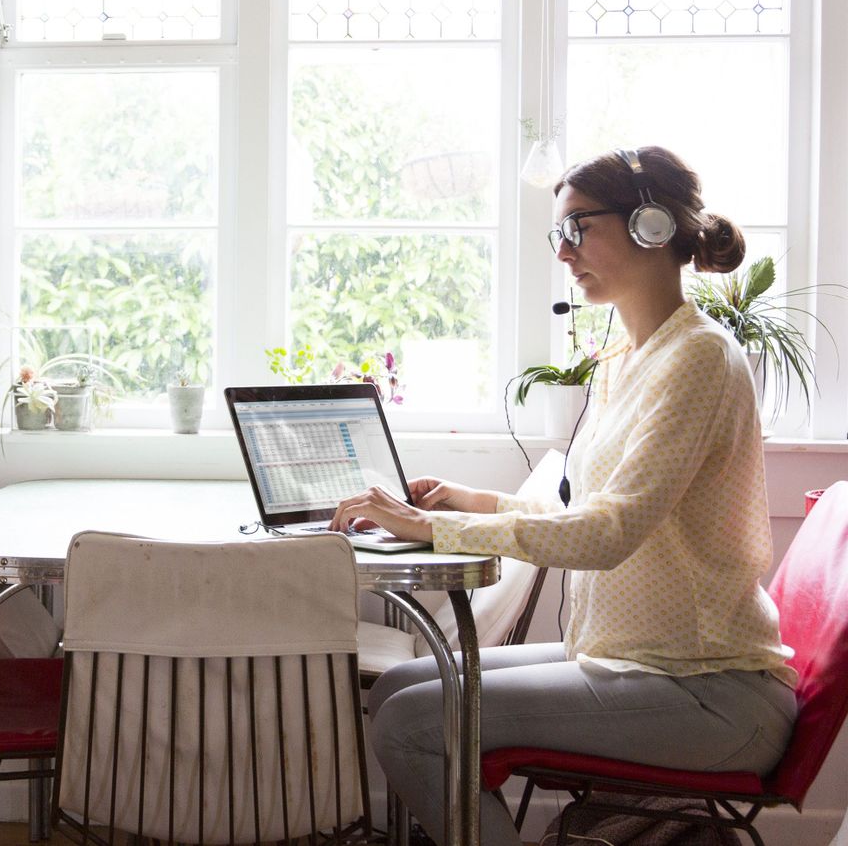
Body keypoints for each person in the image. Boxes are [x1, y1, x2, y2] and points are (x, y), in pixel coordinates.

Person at [330, 146, 797, 846]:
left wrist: (433, 528)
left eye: (579, 227)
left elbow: (606, 535)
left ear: (651, 225)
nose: (564, 251)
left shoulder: (699, 357)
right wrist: (471, 503)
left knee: (409, 723)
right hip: (633, 662)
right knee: (400, 689)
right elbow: (594, 513)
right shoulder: (628, 359)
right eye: (559, 233)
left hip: (708, 691)